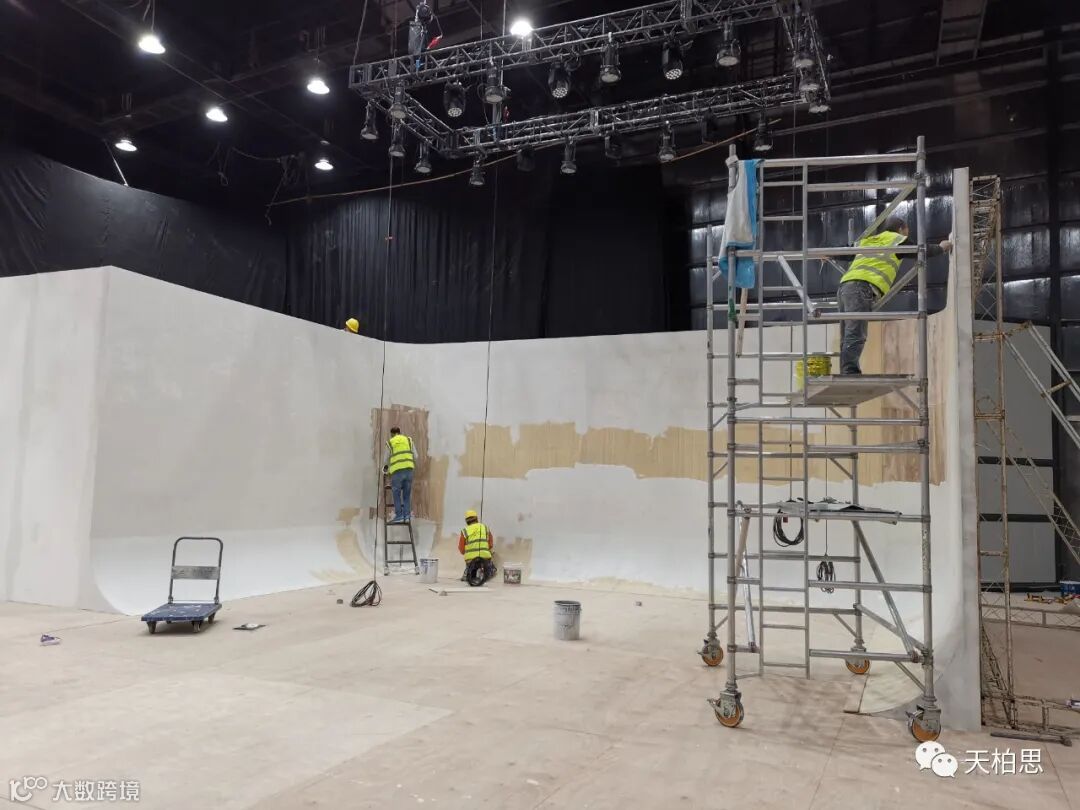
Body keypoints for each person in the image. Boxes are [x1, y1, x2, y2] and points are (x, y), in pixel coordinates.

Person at [837, 216, 952, 375]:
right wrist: (941, 248)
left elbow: (846, 251)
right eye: (906, 232)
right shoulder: (896, 239)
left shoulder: (868, 241)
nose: (907, 235)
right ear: (900, 229)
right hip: (862, 287)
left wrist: (829, 254)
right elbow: (920, 251)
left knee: (847, 334)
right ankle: (849, 372)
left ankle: (846, 371)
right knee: (855, 333)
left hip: (845, 287)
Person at [382, 427, 416, 523]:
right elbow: (415, 456)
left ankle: (399, 515)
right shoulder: (409, 440)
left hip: (397, 472)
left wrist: (386, 469)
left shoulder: (390, 442)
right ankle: (407, 515)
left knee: (396, 493)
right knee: (406, 494)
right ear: (400, 433)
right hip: (409, 471)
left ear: (392, 434)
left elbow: (385, 459)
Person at [458, 509, 496, 582]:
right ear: (476, 518)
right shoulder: (485, 528)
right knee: (491, 571)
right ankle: (490, 571)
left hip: (471, 561)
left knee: (469, 576)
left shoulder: (465, 531)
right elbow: (490, 544)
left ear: (466, 521)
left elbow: (461, 550)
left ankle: (468, 573)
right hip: (485, 559)